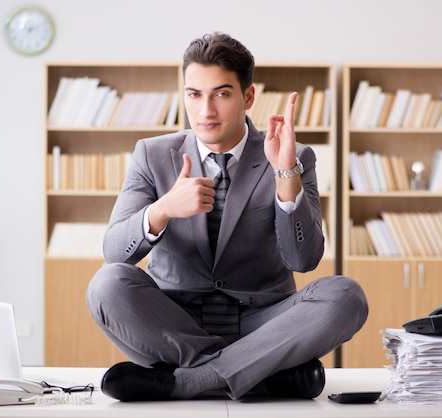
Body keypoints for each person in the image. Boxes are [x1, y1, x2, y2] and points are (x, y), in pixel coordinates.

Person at [86, 32, 368, 402]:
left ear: (247, 97)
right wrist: (163, 209)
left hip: (263, 325)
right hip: (174, 324)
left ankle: (187, 381)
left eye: (221, 94)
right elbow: (115, 252)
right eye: (194, 94)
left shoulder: (293, 155)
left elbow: (304, 260)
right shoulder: (151, 155)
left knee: (346, 295)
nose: (206, 110)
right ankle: (260, 375)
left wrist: (285, 175)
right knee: (107, 283)